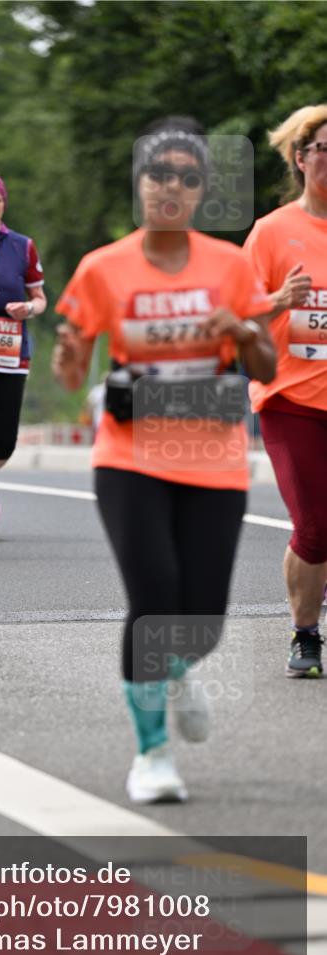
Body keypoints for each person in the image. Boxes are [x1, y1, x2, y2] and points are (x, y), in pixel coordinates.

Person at [53, 116, 276, 804]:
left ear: (200, 190)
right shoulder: (103, 268)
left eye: (185, 176)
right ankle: (151, 753)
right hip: (128, 457)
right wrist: (65, 357)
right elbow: (69, 375)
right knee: (152, 601)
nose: (170, 187)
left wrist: (239, 329)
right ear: (139, 184)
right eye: (158, 174)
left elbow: (265, 361)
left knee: (200, 619)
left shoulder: (230, 265)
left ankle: (178, 669)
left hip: (211, 455)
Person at [244, 105, 327, 679]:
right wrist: (278, 301)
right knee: (315, 525)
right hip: (292, 399)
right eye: (324, 148)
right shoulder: (273, 231)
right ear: (302, 159)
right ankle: (306, 634)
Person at [0, 172, 47, 542]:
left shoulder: (22, 246)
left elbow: (41, 298)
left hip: (12, 350)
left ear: (3, 205)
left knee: (4, 442)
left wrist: (28, 309)